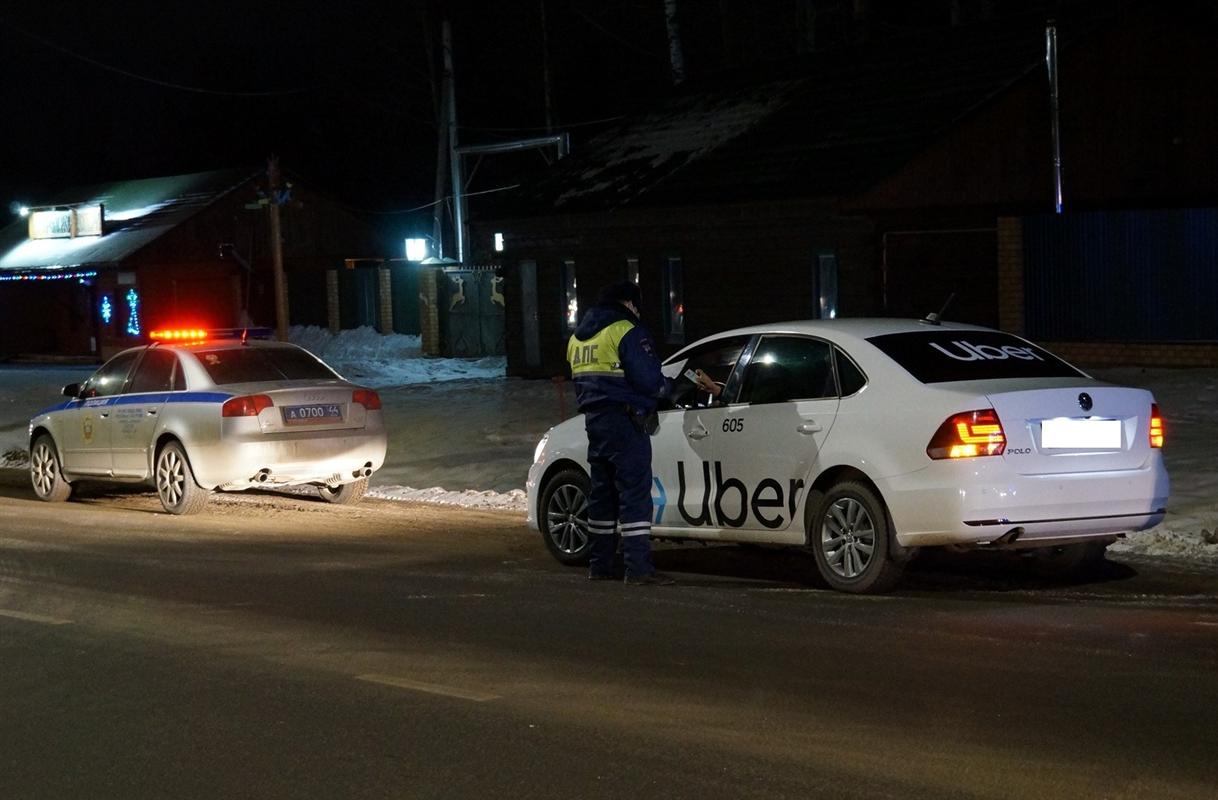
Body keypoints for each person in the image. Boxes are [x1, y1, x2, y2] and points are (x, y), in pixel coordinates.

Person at [566, 279, 716, 585]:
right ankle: (638, 569)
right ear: (628, 303)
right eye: (636, 305)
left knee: (603, 496)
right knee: (634, 494)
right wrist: (675, 388)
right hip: (626, 422)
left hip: (595, 421)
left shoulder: (577, 339)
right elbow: (649, 380)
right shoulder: (626, 330)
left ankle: (600, 565)